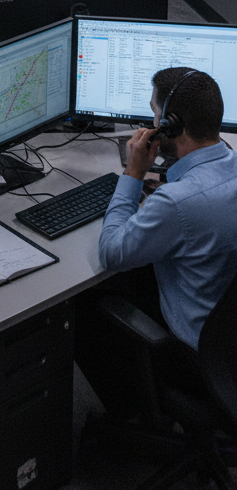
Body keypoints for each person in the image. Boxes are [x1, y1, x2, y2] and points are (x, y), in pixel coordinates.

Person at [75, 69, 237, 416]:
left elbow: (112, 253)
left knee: (81, 303)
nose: (151, 121)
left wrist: (133, 174)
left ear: (172, 126)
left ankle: (137, 422)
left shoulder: (177, 203)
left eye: (154, 113)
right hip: (229, 335)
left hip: (203, 359)